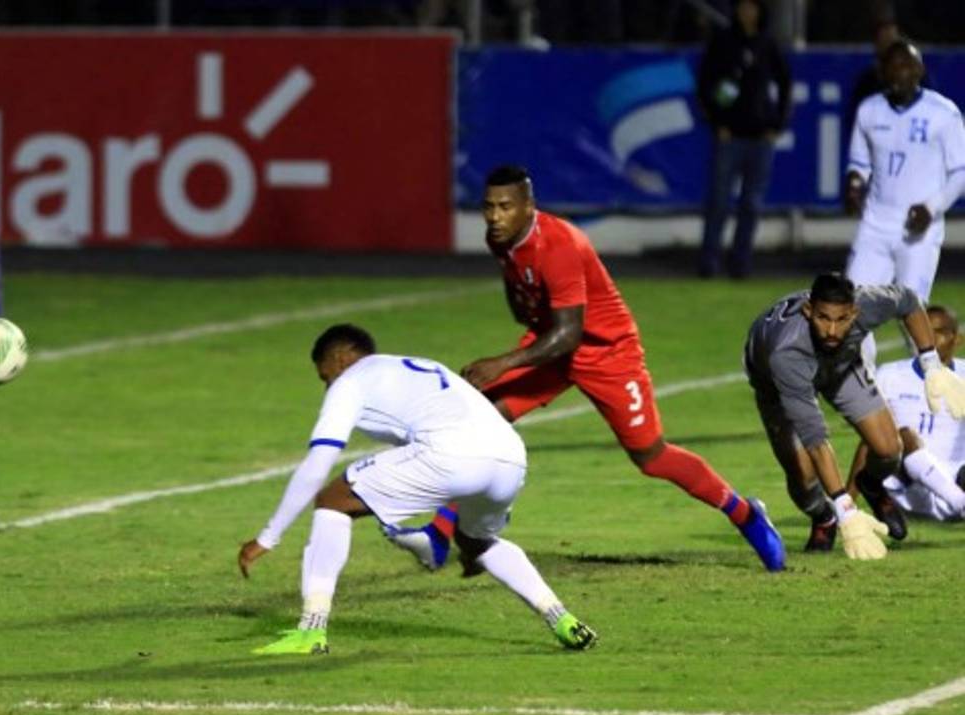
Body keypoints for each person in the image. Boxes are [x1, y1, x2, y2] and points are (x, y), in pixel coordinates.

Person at [387, 165, 786, 573]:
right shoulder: (500, 239)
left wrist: (502, 363)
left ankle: (745, 514)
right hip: (551, 345)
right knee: (475, 423)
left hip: (606, 352)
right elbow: (524, 295)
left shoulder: (558, 244)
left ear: (529, 206)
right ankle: (441, 535)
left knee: (651, 456)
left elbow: (571, 335)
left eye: (505, 207)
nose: (494, 216)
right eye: (488, 207)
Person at [237, 324, 598, 655]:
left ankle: (311, 630)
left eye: (324, 377)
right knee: (476, 541)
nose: (327, 387)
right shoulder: (416, 366)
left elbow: (318, 464)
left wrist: (269, 536)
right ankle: (562, 619)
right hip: (511, 458)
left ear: (340, 359)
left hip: (452, 455)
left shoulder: (351, 381)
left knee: (333, 501)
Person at [743, 273, 965, 558]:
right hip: (777, 385)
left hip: (840, 366)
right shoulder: (786, 353)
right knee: (803, 476)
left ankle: (871, 486)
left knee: (888, 449)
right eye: (823, 319)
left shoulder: (869, 304)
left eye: (842, 320)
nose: (833, 331)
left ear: (855, 312)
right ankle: (824, 518)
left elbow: (908, 301)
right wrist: (845, 508)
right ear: (808, 311)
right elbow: (816, 439)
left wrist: (931, 365)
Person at [844, 39, 965, 304]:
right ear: (882, 72)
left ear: (919, 70)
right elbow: (860, 163)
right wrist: (854, 184)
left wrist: (932, 207)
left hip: (919, 231)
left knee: (911, 317)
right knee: (852, 311)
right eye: (892, 66)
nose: (899, 73)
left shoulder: (943, 114)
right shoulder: (869, 110)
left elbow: (960, 172)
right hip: (875, 225)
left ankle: (924, 348)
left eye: (906, 66)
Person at [695, 0, 791, 279]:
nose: (747, 13)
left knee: (751, 203)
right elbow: (705, 83)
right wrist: (717, 123)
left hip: (760, 136)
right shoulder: (723, 41)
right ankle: (709, 261)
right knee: (719, 201)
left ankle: (740, 262)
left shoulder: (767, 43)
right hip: (730, 135)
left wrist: (777, 124)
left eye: (752, 7)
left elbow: (785, 82)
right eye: (743, 7)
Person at [846, 305, 965, 523]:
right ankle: (960, 503)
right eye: (925, 330)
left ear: (957, 339)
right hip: (906, 484)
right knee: (902, 434)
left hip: (958, 477)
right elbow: (868, 442)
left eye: (938, 332)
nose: (929, 338)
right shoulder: (889, 375)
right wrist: (847, 507)